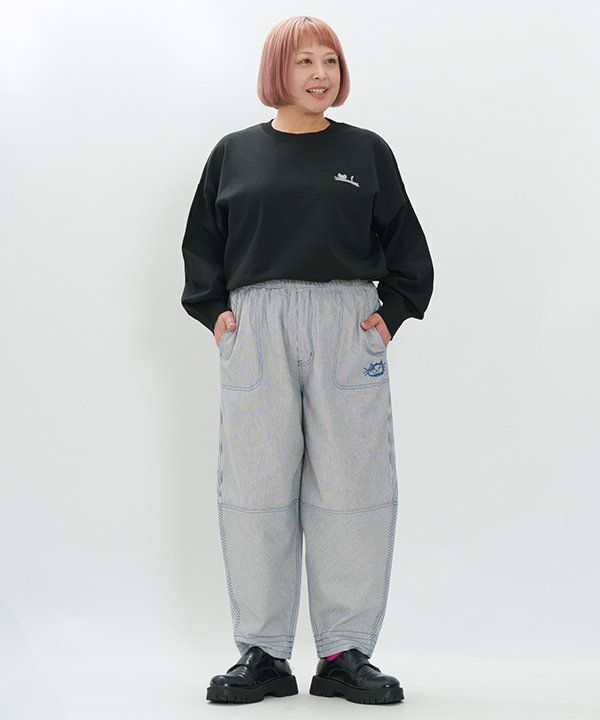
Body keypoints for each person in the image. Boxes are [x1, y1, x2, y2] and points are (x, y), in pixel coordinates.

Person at [180, 15, 434, 705]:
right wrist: (216, 313)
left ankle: (343, 653)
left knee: (352, 486)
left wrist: (389, 317)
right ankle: (262, 654)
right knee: (256, 489)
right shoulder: (234, 153)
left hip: (346, 324)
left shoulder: (366, 151)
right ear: (276, 71)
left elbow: (407, 246)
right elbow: (202, 242)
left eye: (330, 61)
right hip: (256, 326)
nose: (320, 74)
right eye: (303, 61)